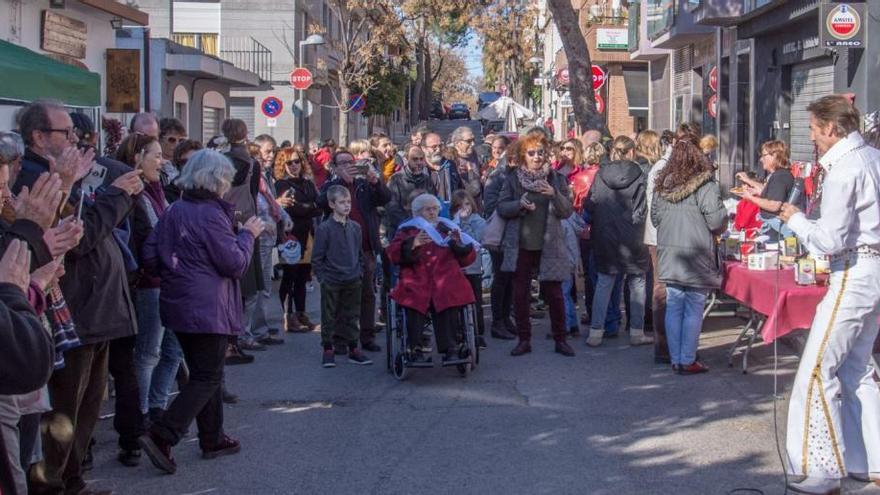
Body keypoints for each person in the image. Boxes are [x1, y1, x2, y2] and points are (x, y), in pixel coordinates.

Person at [17, 101, 144, 495]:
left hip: (94, 309)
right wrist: (118, 196)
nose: (75, 140)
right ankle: (53, 486)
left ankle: (72, 481)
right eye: (65, 134)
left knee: (88, 406)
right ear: (38, 138)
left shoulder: (67, 176)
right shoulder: (34, 179)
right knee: (63, 413)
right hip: (72, 307)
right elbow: (80, 237)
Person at [777, 95, 880, 495]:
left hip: (853, 271)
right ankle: (867, 458)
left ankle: (823, 467)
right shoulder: (871, 158)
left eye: (814, 131)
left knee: (818, 370)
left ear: (831, 129)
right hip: (870, 268)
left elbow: (830, 240)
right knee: (857, 368)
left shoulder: (845, 168)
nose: (813, 139)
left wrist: (796, 219)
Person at [139, 149, 265, 474]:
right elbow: (234, 263)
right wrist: (247, 235)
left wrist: (176, 268)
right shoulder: (210, 214)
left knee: (205, 374)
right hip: (208, 307)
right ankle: (163, 434)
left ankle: (212, 437)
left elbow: (150, 256)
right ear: (218, 180)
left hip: (180, 302)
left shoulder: (175, 209)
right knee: (208, 376)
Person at [116, 132, 186, 434]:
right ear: (137, 158)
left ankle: (157, 406)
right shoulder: (134, 194)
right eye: (155, 155)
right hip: (151, 283)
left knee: (173, 350)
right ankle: (141, 414)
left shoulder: (159, 189)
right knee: (149, 352)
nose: (162, 160)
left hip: (170, 279)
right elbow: (146, 238)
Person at [650, 134, 727, 375]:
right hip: (697, 254)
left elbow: (655, 218)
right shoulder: (706, 185)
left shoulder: (663, 184)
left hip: (669, 254)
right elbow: (716, 221)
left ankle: (675, 358)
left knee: (674, 305)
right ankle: (687, 358)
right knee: (694, 306)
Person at [495, 133, 576, 357]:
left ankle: (561, 339)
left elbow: (567, 210)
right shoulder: (512, 178)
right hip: (521, 243)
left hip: (549, 244)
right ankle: (524, 340)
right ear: (523, 155)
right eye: (532, 153)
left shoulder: (556, 178)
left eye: (541, 152)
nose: (537, 156)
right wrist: (518, 205)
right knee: (520, 294)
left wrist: (554, 194)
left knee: (555, 293)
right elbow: (501, 207)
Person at [386, 193, 478, 362]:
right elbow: (392, 253)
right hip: (417, 276)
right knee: (413, 300)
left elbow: (467, 258)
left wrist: (458, 244)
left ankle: (451, 347)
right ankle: (415, 348)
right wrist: (413, 243)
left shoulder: (447, 228)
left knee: (448, 296)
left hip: (445, 275)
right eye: (428, 209)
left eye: (435, 209)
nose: (433, 213)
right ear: (417, 212)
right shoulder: (408, 229)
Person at [318, 150, 391, 353]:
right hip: (340, 250)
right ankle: (340, 340)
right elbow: (321, 202)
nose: (348, 165)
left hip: (365, 247)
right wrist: (339, 182)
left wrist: (374, 180)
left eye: (351, 162)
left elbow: (385, 198)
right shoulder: (330, 185)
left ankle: (367, 336)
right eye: (342, 163)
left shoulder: (363, 185)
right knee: (343, 296)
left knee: (367, 293)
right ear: (334, 166)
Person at [584, 136, 651, 348]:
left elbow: (590, 203)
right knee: (637, 282)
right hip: (633, 235)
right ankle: (636, 331)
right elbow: (642, 210)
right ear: (631, 152)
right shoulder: (640, 175)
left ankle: (596, 332)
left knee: (604, 282)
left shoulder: (600, 175)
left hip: (605, 234)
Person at [312, 185, 373, 368]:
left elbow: (359, 253)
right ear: (332, 204)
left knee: (352, 314)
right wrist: (322, 276)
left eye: (348, 202)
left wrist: (360, 271)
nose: (346, 206)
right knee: (329, 315)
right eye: (341, 202)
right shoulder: (325, 228)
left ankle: (354, 347)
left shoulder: (355, 227)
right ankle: (328, 348)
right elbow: (317, 257)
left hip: (353, 277)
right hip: (332, 279)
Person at [644, 124, 690, 364]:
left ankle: (668, 345)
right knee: (662, 289)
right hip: (662, 237)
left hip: (663, 235)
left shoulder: (664, 168)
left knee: (666, 288)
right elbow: (660, 209)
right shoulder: (663, 169)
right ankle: (663, 347)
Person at [220, 119, 266, 353]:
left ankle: (229, 336)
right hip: (247, 222)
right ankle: (242, 334)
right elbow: (253, 193)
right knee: (248, 282)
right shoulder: (252, 163)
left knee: (228, 282)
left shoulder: (220, 161)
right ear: (246, 134)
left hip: (222, 221)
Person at [274, 147, 321, 333]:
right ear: (282, 165)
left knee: (303, 276)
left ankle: (301, 313)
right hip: (291, 236)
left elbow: (319, 206)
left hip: (308, 234)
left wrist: (309, 206)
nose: (294, 165)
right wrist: (310, 206)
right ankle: (288, 315)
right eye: (289, 162)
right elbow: (295, 209)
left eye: (297, 161)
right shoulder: (281, 185)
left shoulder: (308, 183)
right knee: (289, 276)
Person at [734, 140, 796, 241]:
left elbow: (774, 205)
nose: (761, 159)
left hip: (776, 230)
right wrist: (748, 181)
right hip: (774, 228)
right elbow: (769, 191)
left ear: (775, 156)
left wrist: (750, 198)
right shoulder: (780, 175)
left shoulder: (779, 177)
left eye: (764, 155)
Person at [451, 189, 487, 349]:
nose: (464, 209)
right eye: (459, 206)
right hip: (457, 269)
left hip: (473, 268)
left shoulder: (478, 221)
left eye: (466, 204)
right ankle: (458, 331)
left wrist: (463, 223)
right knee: (457, 301)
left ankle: (478, 333)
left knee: (475, 301)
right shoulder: (450, 222)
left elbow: (475, 240)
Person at [386, 145, 439, 236]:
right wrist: (412, 225)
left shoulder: (427, 180)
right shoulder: (396, 179)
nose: (419, 162)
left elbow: (434, 203)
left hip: (426, 230)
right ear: (406, 159)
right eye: (415, 159)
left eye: (421, 159)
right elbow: (392, 208)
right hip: (402, 230)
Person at [422, 132, 463, 202]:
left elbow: (460, 189)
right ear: (424, 148)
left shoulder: (450, 165)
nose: (438, 150)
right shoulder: (420, 169)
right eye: (434, 147)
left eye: (440, 146)